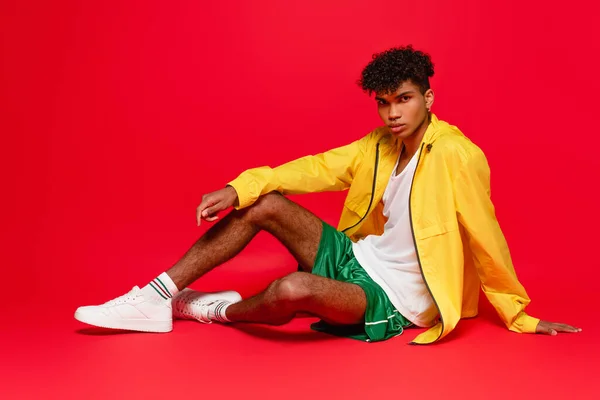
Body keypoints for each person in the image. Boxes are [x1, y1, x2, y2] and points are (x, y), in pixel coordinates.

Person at [75, 46, 580, 344]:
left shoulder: (456, 155)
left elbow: (484, 232)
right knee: (266, 202)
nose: (392, 114)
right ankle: (156, 297)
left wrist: (520, 315)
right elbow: (315, 168)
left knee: (293, 289)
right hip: (358, 257)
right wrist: (239, 187)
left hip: (395, 300)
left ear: (428, 98)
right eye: (383, 104)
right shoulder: (378, 145)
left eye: (404, 100)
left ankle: (211, 309)